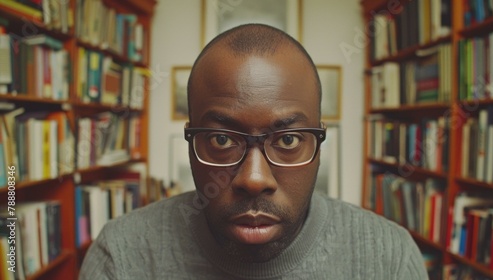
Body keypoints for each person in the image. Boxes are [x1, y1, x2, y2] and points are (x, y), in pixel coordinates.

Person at [79, 24, 427, 279]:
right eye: (221, 140)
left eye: (288, 140)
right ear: (190, 141)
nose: (254, 179)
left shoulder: (388, 258)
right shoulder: (122, 258)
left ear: (319, 142)